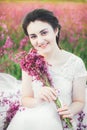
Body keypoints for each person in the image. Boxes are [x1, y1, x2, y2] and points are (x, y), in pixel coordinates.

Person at [7, 8, 87, 130]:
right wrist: (38, 98)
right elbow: (25, 99)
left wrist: (69, 111)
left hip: (63, 117)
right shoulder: (30, 61)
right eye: (33, 36)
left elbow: (79, 101)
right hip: (34, 115)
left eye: (44, 33)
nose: (40, 41)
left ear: (56, 30)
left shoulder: (75, 63)